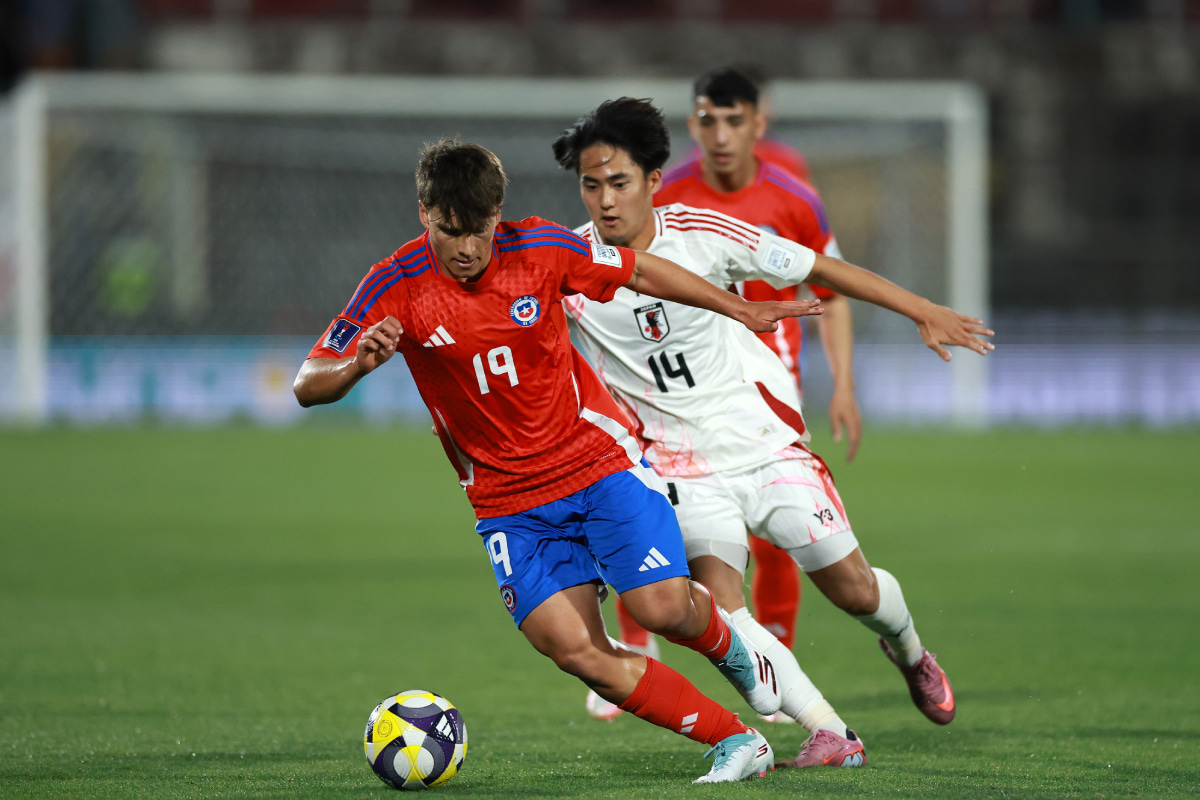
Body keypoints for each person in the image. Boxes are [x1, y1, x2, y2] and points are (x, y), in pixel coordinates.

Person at [293, 139, 829, 784]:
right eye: (447, 231)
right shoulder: (394, 284)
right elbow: (308, 382)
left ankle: (735, 649)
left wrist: (737, 306)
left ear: (501, 215)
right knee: (576, 650)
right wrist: (359, 364)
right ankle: (738, 741)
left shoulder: (543, 249)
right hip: (508, 504)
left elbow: (638, 269)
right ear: (423, 214)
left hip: (596, 466)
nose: (464, 249)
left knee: (662, 611)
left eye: (478, 231)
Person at [552, 99, 992, 767]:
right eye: (591, 185)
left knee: (856, 591)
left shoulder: (703, 233)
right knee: (722, 607)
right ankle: (830, 732)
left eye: (619, 183)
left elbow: (821, 268)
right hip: (679, 470)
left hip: (761, 445)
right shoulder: (565, 265)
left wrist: (921, 309)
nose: (605, 201)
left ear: (653, 182)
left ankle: (909, 650)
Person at [595, 66, 862, 710]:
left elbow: (828, 285)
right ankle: (644, 645)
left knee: (779, 541)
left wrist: (844, 384)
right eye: (707, 119)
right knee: (647, 502)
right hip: (666, 379)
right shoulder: (666, 190)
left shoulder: (793, 190)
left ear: (758, 124)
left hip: (766, 375)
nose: (719, 134)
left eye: (733, 119)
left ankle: (780, 658)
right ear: (691, 125)